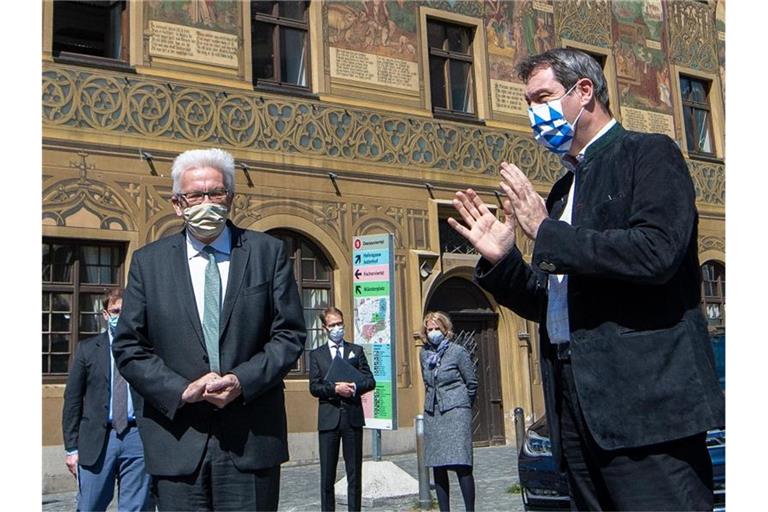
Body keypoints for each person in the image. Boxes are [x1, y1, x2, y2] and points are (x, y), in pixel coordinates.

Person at [448, 48, 725, 510]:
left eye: (543, 98)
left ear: (584, 91)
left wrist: (546, 232)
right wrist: (505, 260)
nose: (534, 114)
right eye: (528, 103)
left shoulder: (649, 154)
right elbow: (554, 304)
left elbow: (656, 254)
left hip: (645, 408)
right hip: (575, 409)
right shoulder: (562, 190)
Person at [112, 148, 306, 511]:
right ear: (177, 204)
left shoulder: (268, 253)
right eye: (195, 196)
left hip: (251, 439)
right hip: (177, 439)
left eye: (216, 193)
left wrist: (241, 380)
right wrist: (180, 390)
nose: (206, 203)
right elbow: (128, 346)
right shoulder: (148, 263)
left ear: (230, 198)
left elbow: (290, 334)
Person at [62, 288, 152, 512]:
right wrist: (71, 448)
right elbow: (72, 400)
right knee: (90, 505)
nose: (120, 316)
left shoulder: (147, 349)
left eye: (125, 311)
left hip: (136, 435)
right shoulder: (87, 350)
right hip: (98, 439)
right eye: (115, 311)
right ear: (105, 314)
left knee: (136, 507)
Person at [309, 307, 376, 511]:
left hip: (352, 418)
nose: (337, 328)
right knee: (327, 476)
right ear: (324, 328)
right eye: (332, 325)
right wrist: (335, 389)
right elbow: (314, 387)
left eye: (340, 323)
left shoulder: (355, 350)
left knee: (354, 473)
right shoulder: (317, 355)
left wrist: (354, 387)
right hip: (329, 419)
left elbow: (369, 380)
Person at [418, 311, 477, 512]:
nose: (434, 332)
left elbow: (471, 383)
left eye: (437, 329)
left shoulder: (457, 352)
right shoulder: (424, 354)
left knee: (462, 464)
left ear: (445, 330)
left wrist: (462, 405)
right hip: (433, 413)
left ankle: (470, 509)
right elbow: (427, 383)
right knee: (438, 465)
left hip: (456, 412)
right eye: (430, 329)